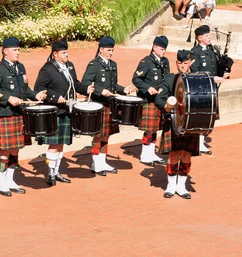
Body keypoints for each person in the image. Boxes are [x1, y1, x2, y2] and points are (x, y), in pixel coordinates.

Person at [0, 37, 47, 196]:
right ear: (5, 51)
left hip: (19, 113)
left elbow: (25, 89)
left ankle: (10, 180)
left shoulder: (20, 67)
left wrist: (36, 96)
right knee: (5, 151)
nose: (18, 53)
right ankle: (0, 182)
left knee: (15, 150)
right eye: (15, 50)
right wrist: (8, 99)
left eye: (18, 50)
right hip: (6, 114)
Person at [34, 39, 93, 186]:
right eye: (64, 52)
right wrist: (54, 97)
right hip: (55, 111)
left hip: (68, 110)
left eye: (67, 52)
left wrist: (86, 89)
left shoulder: (70, 66)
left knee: (61, 144)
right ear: (55, 54)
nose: (67, 55)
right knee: (54, 144)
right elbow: (38, 88)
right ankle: (50, 173)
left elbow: (75, 83)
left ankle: (57, 171)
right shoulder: (47, 69)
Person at [81, 36, 133, 175]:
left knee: (107, 135)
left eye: (112, 50)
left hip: (110, 104)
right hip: (99, 105)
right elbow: (85, 82)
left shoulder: (113, 64)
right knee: (98, 135)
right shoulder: (94, 64)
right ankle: (95, 163)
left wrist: (123, 90)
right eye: (109, 50)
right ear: (101, 49)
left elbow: (113, 85)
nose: (111, 53)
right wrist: (100, 90)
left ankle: (102, 161)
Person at [155, 50, 200, 199]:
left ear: (190, 63)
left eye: (185, 63)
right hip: (173, 121)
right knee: (174, 153)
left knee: (186, 154)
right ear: (176, 64)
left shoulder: (196, 79)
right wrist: (167, 106)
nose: (182, 66)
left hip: (190, 122)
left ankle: (181, 186)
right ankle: (170, 185)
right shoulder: (169, 79)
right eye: (180, 63)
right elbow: (159, 100)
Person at [132, 35, 170, 166]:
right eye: (161, 49)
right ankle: (144, 154)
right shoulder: (146, 61)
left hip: (160, 100)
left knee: (155, 128)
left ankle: (151, 153)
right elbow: (136, 79)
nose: (163, 51)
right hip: (149, 100)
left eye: (164, 49)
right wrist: (148, 88)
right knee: (149, 128)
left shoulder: (165, 62)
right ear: (154, 47)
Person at [190, 24, 228, 155]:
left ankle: (200, 142)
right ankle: (197, 144)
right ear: (200, 38)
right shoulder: (195, 52)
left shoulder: (212, 50)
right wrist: (213, 79)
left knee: (208, 117)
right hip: (202, 89)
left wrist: (223, 73)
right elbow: (195, 72)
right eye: (207, 36)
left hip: (212, 88)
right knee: (201, 116)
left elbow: (216, 67)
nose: (209, 37)